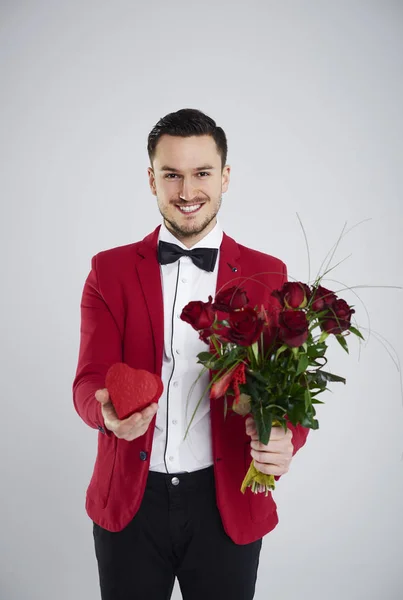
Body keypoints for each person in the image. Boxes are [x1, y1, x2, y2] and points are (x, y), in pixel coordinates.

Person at [72, 108, 310, 600]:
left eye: (202, 173)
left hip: (227, 502)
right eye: (171, 175)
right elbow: (86, 381)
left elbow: (291, 390)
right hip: (131, 504)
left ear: (225, 177)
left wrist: (288, 439)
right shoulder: (108, 271)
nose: (186, 192)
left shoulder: (268, 274)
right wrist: (106, 413)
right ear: (151, 179)